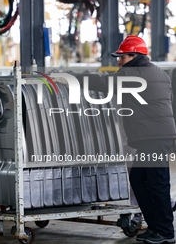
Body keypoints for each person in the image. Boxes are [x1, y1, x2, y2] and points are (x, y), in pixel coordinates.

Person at [73, 35, 176, 244]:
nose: (118, 61)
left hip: (153, 137)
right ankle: (156, 227)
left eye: (122, 57)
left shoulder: (133, 74)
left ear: (134, 56)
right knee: (139, 180)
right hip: (157, 135)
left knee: (157, 184)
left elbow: (103, 83)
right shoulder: (158, 73)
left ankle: (165, 231)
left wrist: (70, 78)